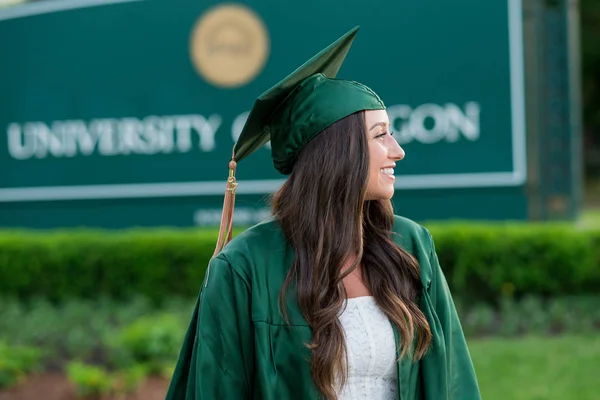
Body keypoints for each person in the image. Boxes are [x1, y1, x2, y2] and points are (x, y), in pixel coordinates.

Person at [165, 26, 481, 400]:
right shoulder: (244, 268)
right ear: (338, 152)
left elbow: (454, 380)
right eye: (381, 135)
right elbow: (216, 389)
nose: (398, 150)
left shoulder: (410, 246)